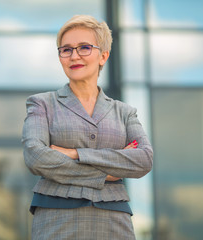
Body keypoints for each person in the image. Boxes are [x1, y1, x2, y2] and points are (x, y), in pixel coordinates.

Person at [22, 15, 153, 240]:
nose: (74, 56)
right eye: (66, 49)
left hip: (114, 220)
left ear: (103, 56)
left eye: (84, 47)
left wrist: (75, 154)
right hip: (56, 218)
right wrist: (106, 173)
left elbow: (143, 159)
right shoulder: (42, 103)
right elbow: (36, 156)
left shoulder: (124, 112)